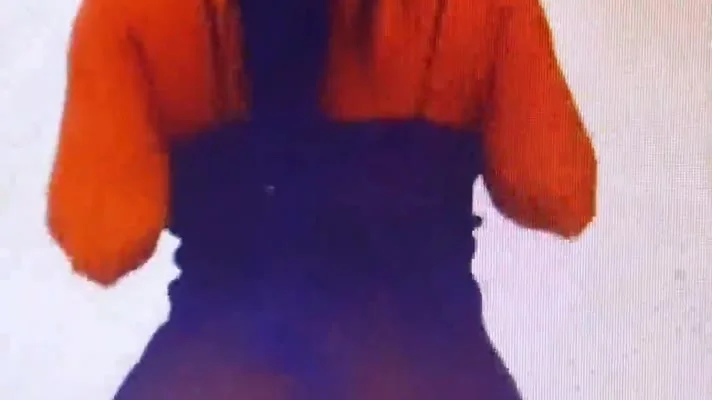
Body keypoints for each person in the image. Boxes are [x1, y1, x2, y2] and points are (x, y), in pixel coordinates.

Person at [46, 0, 597, 398]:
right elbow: (558, 192)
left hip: (212, 369)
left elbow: (103, 241)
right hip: (431, 368)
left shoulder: (130, 12)